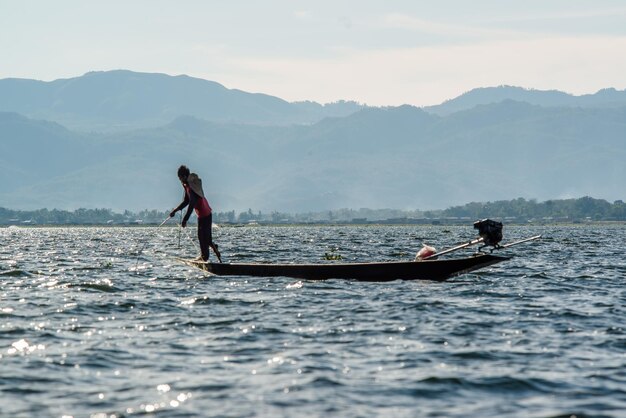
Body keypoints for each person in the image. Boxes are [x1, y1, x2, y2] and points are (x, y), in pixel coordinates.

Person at [170, 165, 221, 262]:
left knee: (202, 237)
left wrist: (185, 219)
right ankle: (214, 247)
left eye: (180, 178)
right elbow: (186, 201)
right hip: (205, 214)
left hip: (205, 215)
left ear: (184, 176)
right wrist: (175, 211)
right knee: (207, 239)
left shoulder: (191, 187)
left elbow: (192, 203)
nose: (180, 180)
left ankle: (204, 257)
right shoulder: (187, 187)